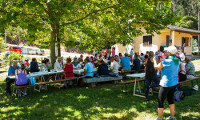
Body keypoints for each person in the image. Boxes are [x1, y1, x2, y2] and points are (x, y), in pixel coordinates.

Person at [154, 46, 179, 120]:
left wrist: (154, 60)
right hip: (174, 83)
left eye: (167, 51)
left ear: (170, 52)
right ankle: (172, 116)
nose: (165, 52)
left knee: (160, 100)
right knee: (171, 99)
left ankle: (159, 118)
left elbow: (156, 67)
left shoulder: (167, 61)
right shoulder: (176, 60)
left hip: (166, 84)